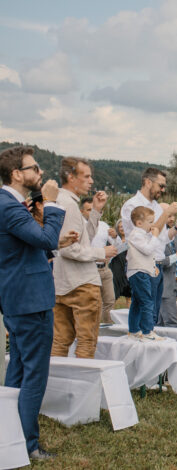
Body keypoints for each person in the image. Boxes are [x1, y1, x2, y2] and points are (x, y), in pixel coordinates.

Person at [0, 145, 72, 460]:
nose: (41, 172)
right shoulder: (8, 206)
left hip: (19, 299)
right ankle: (28, 444)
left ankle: (11, 435)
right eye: (35, 168)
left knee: (18, 368)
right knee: (34, 374)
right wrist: (52, 203)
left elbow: (30, 242)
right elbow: (44, 238)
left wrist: (55, 239)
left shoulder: (10, 204)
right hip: (30, 302)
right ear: (17, 174)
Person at [52, 158, 117, 359]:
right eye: (86, 176)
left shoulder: (59, 201)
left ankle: (56, 376)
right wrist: (101, 253)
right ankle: (81, 378)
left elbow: (83, 238)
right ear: (71, 177)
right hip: (82, 283)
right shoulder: (69, 205)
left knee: (60, 340)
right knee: (87, 341)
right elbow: (68, 249)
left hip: (61, 282)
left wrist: (95, 211)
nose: (91, 181)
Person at [121, 168, 177, 327]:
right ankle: (142, 334)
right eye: (161, 185)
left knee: (154, 309)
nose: (163, 190)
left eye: (164, 186)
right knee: (145, 307)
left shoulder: (156, 206)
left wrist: (176, 228)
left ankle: (147, 333)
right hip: (142, 266)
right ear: (148, 182)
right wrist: (166, 213)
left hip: (157, 263)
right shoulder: (132, 205)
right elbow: (146, 235)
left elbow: (162, 238)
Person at [125, 207, 165, 341]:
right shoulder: (136, 235)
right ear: (139, 223)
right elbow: (147, 250)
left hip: (142, 270)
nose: (153, 225)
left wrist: (152, 267)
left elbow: (146, 254)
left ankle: (134, 330)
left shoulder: (142, 235)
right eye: (150, 222)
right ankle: (147, 331)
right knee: (147, 301)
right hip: (139, 272)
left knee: (137, 301)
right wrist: (155, 236)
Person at [79, 197, 116, 323]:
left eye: (94, 210)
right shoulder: (80, 227)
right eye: (89, 210)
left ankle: (107, 327)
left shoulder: (104, 225)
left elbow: (116, 246)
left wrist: (115, 237)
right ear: (81, 211)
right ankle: (93, 328)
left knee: (110, 300)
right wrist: (99, 254)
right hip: (89, 268)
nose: (92, 213)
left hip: (105, 268)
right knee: (93, 303)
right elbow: (80, 249)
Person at [109, 219, 131, 307]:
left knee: (129, 295)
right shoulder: (113, 239)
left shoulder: (132, 239)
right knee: (114, 294)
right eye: (120, 227)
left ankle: (129, 314)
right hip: (116, 268)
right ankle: (110, 314)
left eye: (123, 226)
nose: (122, 228)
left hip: (128, 267)